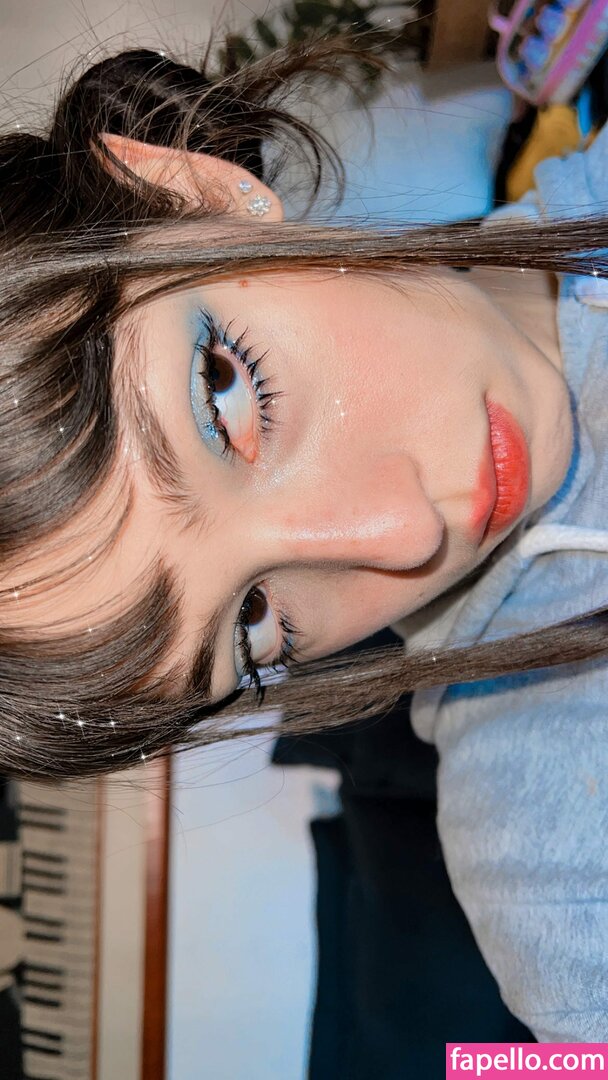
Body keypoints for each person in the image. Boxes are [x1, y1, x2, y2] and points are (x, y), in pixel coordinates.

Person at [2, 26, 608, 1041]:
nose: (403, 532)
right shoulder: (562, 897)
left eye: (227, 394)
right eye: (254, 623)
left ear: (194, 189)